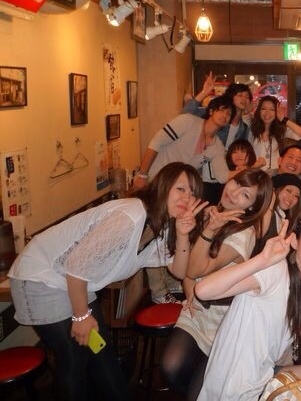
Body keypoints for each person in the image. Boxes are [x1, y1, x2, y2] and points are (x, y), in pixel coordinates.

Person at [8, 162, 207, 401]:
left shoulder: (162, 223)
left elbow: (179, 270)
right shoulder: (130, 215)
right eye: (180, 189)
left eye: (193, 193)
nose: (187, 197)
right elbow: (76, 266)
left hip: (74, 281)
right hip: (41, 276)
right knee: (74, 357)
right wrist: (81, 316)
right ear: (163, 186)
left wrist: (183, 234)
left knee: (100, 350)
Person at [194, 206, 301, 401]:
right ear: (294, 241)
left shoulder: (300, 288)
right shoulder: (275, 272)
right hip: (234, 391)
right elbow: (203, 290)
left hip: (262, 378)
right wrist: (262, 260)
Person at [162, 168, 272, 400]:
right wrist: (190, 291)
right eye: (236, 183)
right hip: (196, 310)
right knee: (171, 367)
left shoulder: (243, 233)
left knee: (199, 393)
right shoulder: (211, 213)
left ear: (251, 207)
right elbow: (186, 270)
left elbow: (194, 269)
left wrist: (209, 229)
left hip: (223, 321)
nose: (234, 193)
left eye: (245, 195)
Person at [134, 96, 236, 303]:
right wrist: (142, 174)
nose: (225, 116)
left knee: (169, 235)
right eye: (222, 110)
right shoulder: (187, 122)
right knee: (152, 235)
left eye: (229, 114)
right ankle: (158, 291)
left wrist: (250, 170)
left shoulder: (216, 146)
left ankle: (170, 281)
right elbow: (156, 143)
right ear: (211, 110)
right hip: (157, 185)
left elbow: (222, 176)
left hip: (179, 197)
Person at [183, 73, 253, 148]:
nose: (244, 99)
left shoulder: (244, 128)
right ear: (231, 96)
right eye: (240, 95)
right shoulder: (217, 114)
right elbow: (187, 113)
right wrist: (204, 92)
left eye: (247, 96)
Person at [249, 95, 301, 174]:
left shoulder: (280, 130)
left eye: (272, 109)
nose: (267, 113)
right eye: (263, 109)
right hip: (255, 174)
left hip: (275, 175)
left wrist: (283, 119)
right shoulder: (251, 129)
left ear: (277, 112)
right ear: (259, 111)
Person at [262, 173, 301, 241]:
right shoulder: (264, 212)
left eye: (296, 196)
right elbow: (259, 234)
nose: (291, 198)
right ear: (275, 189)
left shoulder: (285, 218)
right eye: (288, 191)